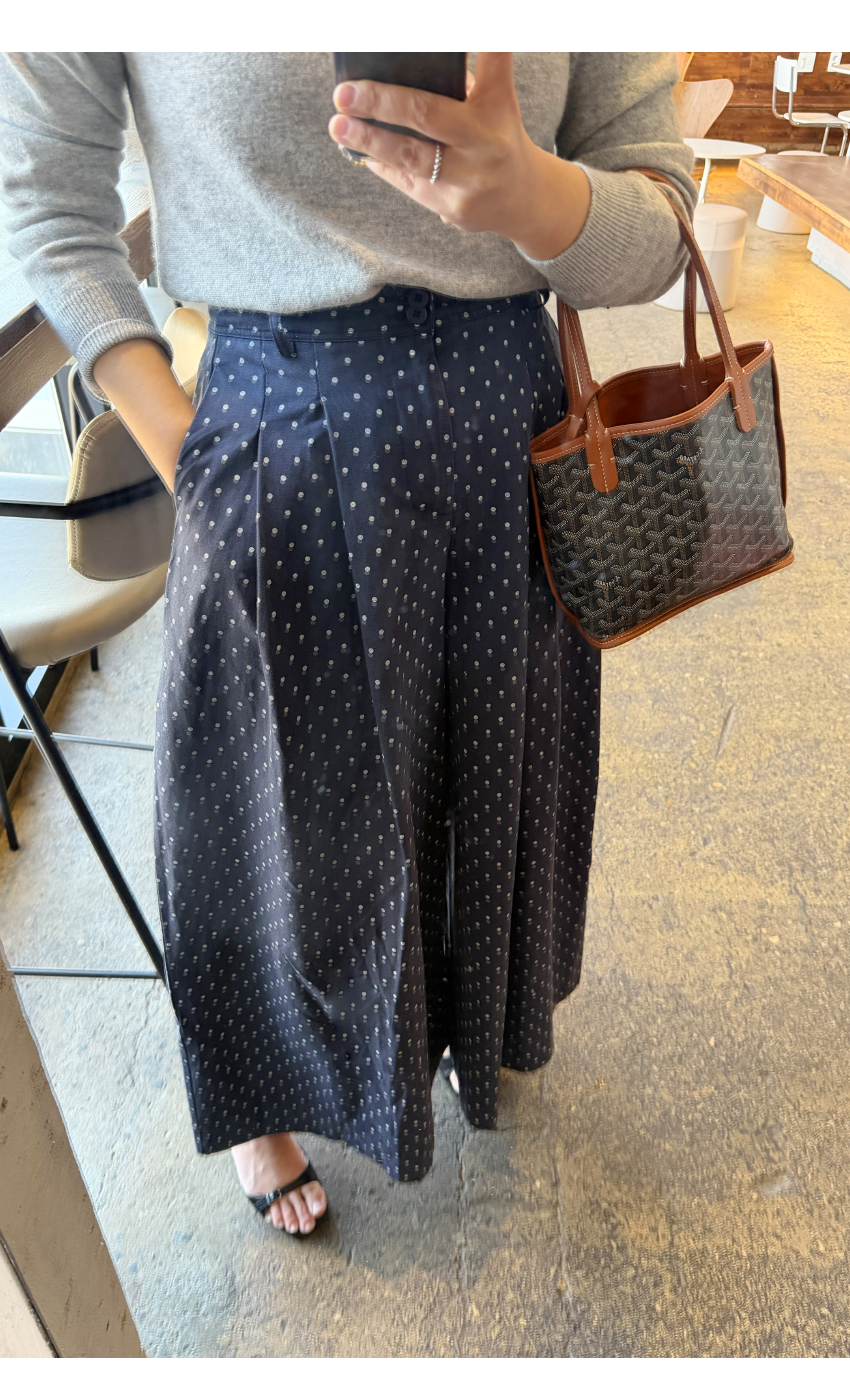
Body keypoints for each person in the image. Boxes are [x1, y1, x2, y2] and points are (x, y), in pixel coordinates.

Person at [0, 52, 695, 1237]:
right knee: (271, 811)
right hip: (274, 428)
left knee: (488, 778)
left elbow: (658, 214)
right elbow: (49, 201)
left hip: (508, 438)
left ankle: (464, 1022)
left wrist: (531, 193)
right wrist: (190, 456)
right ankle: (261, 1100)